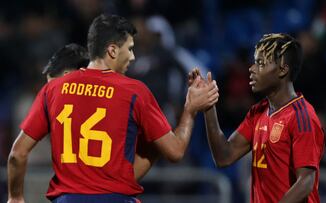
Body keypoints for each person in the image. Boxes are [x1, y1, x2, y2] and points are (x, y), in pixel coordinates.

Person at [7, 14, 219, 203]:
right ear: (112, 50)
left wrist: (15, 197)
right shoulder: (135, 92)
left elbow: (17, 154)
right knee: (152, 142)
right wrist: (190, 109)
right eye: (130, 48)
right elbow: (175, 151)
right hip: (116, 198)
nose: (133, 57)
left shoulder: (53, 89)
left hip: (68, 199)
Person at [189, 33, 325, 203]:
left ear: (283, 69)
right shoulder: (258, 112)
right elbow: (224, 156)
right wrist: (209, 106)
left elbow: (306, 182)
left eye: (261, 63)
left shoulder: (302, 116)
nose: (252, 69)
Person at [43, 43, 157, 181]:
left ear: (69, 76)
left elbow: (155, 145)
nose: (50, 94)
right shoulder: (118, 96)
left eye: (53, 87)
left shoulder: (121, 101)